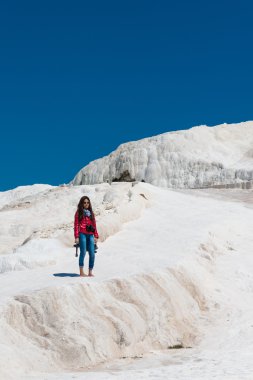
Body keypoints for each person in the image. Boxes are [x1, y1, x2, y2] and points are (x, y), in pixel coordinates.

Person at [74, 196, 99, 277]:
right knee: (83, 252)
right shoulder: (78, 213)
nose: (86, 204)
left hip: (90, 235)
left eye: (87, 202)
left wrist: (96, 235)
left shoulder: (91, 213)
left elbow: (94, 225)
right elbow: (76, 225)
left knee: (92, 254)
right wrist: (76, 236)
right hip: (82, 234)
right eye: (84, 202)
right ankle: (81, 272)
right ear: (82, 203)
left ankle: (90, 272)